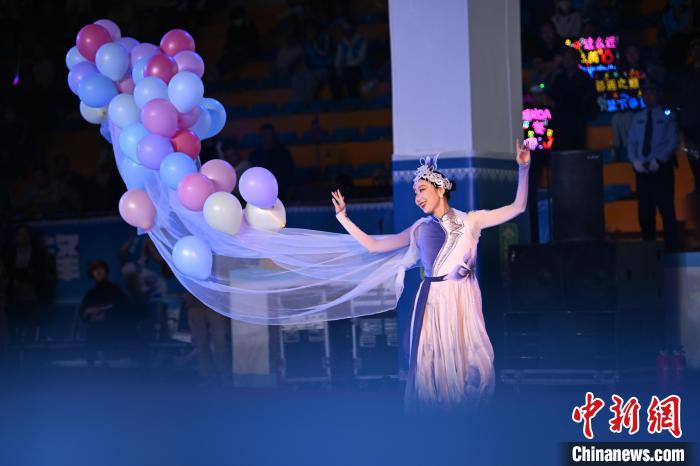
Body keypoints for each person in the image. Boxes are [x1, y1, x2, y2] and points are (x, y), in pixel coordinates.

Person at [331, 139, 531, 410]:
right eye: (415, 193)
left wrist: (523, 168)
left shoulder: (471, 221)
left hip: (462, 301)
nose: (418, 197)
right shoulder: (420, 228)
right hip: (432, 303)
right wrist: (343, 217)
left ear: (440, 189)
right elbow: (374, 245)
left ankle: (470, 423)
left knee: (472, 366)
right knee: (432, 368)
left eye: (422, 190)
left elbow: (518, 207)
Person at [627, 82, 680, 251]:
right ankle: (649, 248)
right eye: (645, 93)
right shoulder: (638, 117)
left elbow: (672, 141)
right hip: (642, 170)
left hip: (661, 169)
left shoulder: (667, 116)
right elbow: (631, 142)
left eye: (651, 92)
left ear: (658, 94)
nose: (647, 96)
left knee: (666, 210)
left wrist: (659, 160)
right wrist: (635, 161)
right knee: (645, 213)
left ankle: (671, 248)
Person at [79, 259, 128, 365]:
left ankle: (104, 359)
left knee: (102, 328)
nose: (98, 272)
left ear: (106, 271)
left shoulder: (115, 289)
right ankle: (93, 362)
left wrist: (103, 313)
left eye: (101, 269)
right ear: (92, 274)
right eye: (95, 270)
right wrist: (89, 313)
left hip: (113, 329)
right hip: (94, 331)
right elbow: (83, 314)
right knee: (94, 330)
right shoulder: (90, 294)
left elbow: (122, 309)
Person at [183, 291, 231, 386]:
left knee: (220, 342)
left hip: (216, 302)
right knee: (201, 343)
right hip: (195, 302)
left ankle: (223, 375)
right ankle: (207, 375)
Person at [249, 124, 295, 202]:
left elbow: (289, 173)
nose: (267, 137)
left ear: (273, 135)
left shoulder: (283, 152)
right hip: (261, 189)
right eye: (264, 134)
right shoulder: (255, 154)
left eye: (269, 134)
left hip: (280, 187)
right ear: (261, 136)